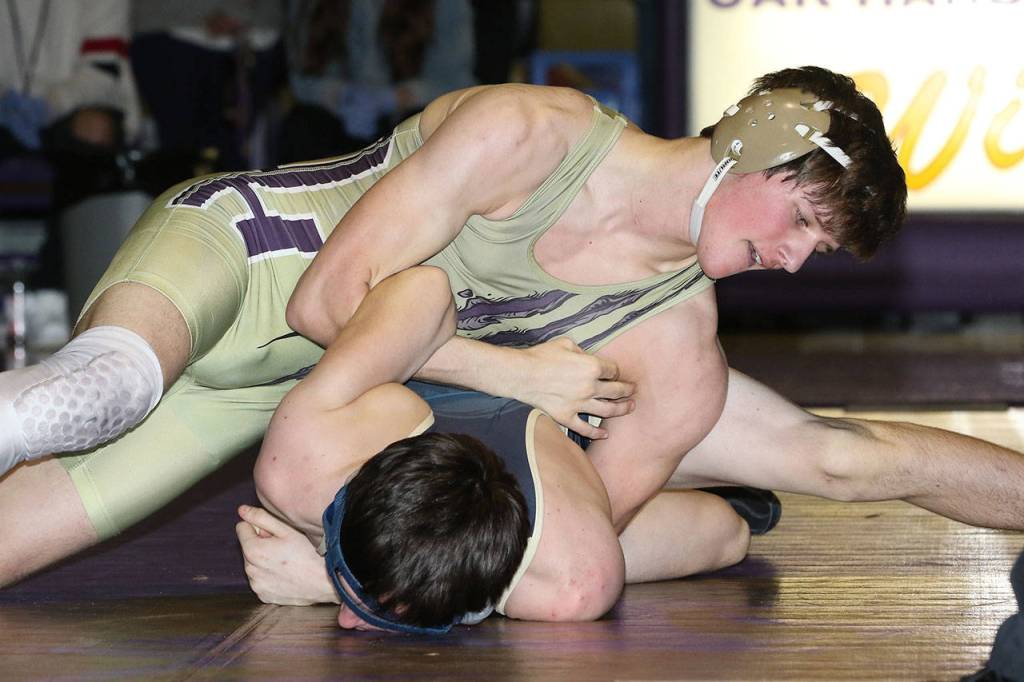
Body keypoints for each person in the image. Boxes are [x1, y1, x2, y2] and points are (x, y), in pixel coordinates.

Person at [3, 66, 1024, 590]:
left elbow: (541, 545)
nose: (794, 261)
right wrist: (513, 373)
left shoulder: (677, 352)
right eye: (802, 222)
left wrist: (344, 578)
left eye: (818, 252)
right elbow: (324, 299)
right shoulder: (534, 134)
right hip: (246, 255)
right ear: (755, 148)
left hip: (276, 394)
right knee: (104, 390)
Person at [236, 265, 748, 631]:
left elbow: (725, 535)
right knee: (730, 522)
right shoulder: (297, 459)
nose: (349, 621)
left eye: (367, 604)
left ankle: (673, 462)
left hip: (569, 416)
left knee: (747, 506)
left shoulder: (574, 579)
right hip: (489, 422)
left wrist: (328, 584)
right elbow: (422, 286)